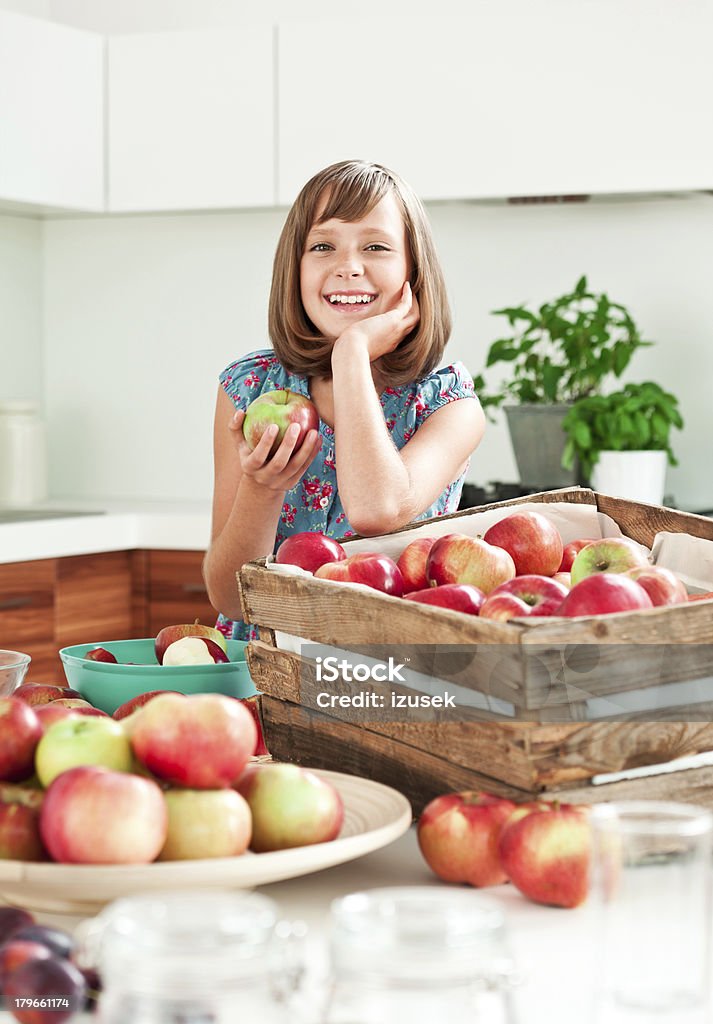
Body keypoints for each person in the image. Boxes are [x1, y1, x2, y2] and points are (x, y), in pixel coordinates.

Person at [203, 159, 486, 640]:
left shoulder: (448, 404)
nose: (348, 267)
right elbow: (230, 598)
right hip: (263, 669)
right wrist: (262, 488)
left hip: (384, 672)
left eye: (376, 246)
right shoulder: (248, 389)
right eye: (323, 246)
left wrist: (351, 352)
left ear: (413, 272)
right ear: (295, 268)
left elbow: (377, 509)